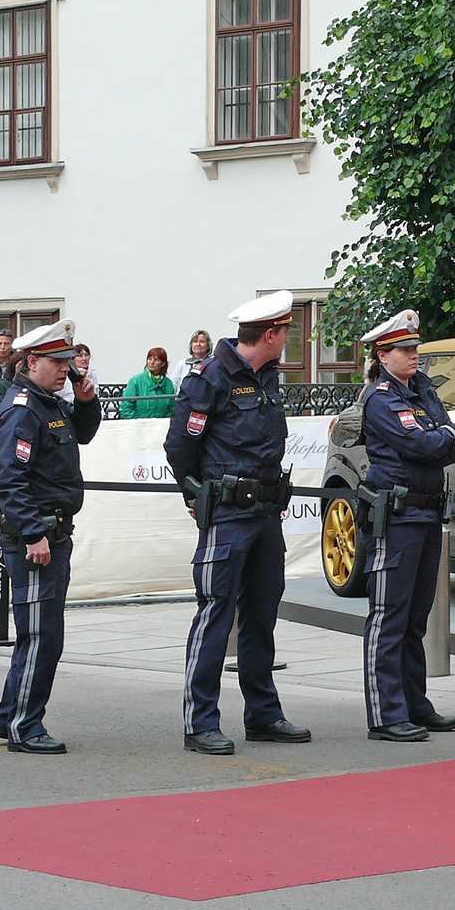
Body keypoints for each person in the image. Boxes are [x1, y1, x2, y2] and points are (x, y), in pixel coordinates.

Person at [165, 291, 310, 755]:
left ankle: (263, 714)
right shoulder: (209, 379)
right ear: (269, 334)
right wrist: (196, 497)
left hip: (266, 514)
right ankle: (200, 721)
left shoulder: (266, 377)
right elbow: (179, 447)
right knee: (215, 615)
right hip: (228, 515)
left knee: (261, 618)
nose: (289, 338)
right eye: (286, 331)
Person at [0, 320, 101, 753]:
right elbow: (10, 481)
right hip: (35, 540)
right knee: (41, 635)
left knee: (40, 632)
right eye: (57, 362)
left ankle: (8, 717)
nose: (66, 370)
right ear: (32, 361)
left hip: (53, 534)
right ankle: (24, 726)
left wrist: (87, 401)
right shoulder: (22, 409)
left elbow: (84, 434)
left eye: (69, 362)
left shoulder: (48, 403)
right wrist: (34, 533)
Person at [356, 310, 455, 741]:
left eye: (415, 348)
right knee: (389, 616)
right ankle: (386, 713)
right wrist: (446, 437)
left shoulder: (421, 390)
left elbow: (445, 439)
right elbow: (422, 442)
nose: (413, 355)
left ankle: (414, 703)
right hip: (397, 517)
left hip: (426, 512)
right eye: (404, 349)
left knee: (416, 618)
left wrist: (444, 437)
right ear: (384, 355)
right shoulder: (382, 398)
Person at [120, 348, 177, 420]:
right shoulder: (136, 381)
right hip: (139, 427)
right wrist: (137, 423)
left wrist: (164, 423)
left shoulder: (168, 383)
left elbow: (171, 408)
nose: (152, 362)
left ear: (163, 363)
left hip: (161, 427)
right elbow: (125, 407)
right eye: (149, 359)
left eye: (156, 360)